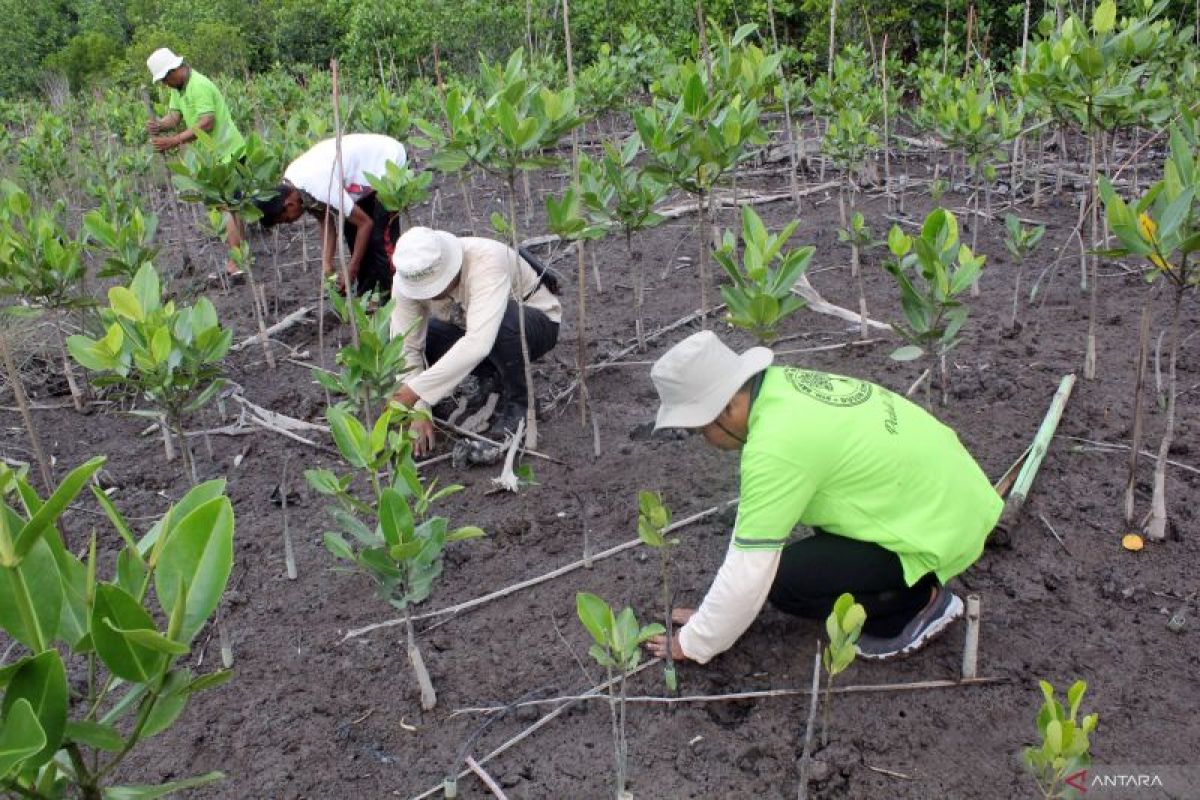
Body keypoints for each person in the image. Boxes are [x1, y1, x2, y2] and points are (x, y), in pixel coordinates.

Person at [644, 331, 1002, 664]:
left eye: (698, 430)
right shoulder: (781, 387)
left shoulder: (777, 446)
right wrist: (713, 617)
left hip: (942, 527)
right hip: (955, 496)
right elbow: (754, 526)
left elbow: (748, 570)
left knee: (785, 584)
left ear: (726, 410)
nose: (704, 441)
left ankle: (918, 604)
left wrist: (695, 642)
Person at [388, 227, 561, 455]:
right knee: (421, 334)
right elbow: (406, 347)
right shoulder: (407, 278)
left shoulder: (486, 260)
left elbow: (478, 342)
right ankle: (493, 378)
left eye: (434, 286)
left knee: (503, 323)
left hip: (534, 325)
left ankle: (522, 403)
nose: (429, 295)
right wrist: (419, 410)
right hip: (472, 331)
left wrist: (412, 392)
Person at [254, 134, 407, 298]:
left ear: (289, 205)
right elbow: (325, 220)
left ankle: (393, 299)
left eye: (286, 220)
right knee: (352, 233)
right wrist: (327, 263)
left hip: (388, 162)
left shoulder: (317, 185)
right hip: (361, 175)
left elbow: (365, 224)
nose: (290, 223)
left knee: (380, 240)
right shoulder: (294, 185)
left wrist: (351, 269)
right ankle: (367, 296)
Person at [144, 48, 246, 277]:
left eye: (164, 79)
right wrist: (159, 125)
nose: (164, 84)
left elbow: (207, 122)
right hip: (211, 157)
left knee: (230, 208)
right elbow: (174, 116)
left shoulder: (198, 85)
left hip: (228, 153)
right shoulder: (179, 88)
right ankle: (240, 258)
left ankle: (236, 261)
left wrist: (174, 140)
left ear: (174, 70)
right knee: (227, 209)